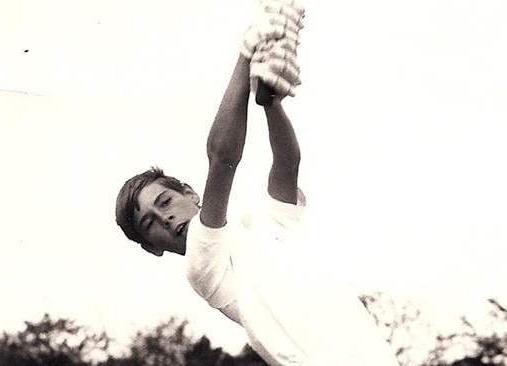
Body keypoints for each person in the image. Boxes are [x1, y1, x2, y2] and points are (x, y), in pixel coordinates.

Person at [115, 1, 400, 364]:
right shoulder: (203, 266)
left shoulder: (265, 224)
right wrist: (245, 54)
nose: (165, 219)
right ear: (152, 247)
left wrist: (270, 104)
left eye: (165, 202)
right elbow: (222, 161)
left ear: (189, 193)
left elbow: (287, 163)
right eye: (149, 223)